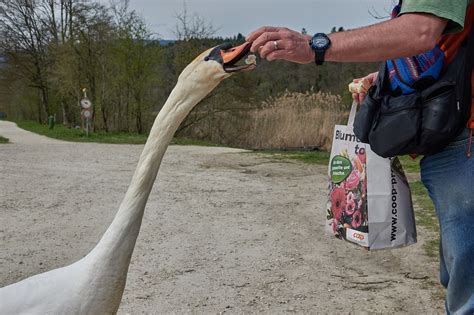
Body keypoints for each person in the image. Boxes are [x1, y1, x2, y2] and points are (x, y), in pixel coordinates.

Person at [246, 1, 473, 314]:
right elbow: (445, 45)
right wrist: (389, 77)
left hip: (467, 146)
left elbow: (421, 30)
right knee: (460, 278)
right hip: (458, 141)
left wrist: (314, 46)